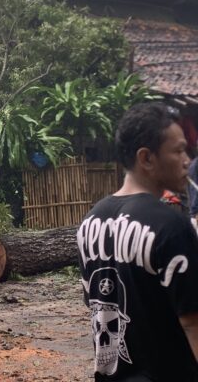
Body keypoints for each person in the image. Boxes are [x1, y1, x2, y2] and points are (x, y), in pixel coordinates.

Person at [76, 103, 198, 381]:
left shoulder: (89, 222)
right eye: (178, 150)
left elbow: (96, 302)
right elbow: (192, 323)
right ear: (147, 158)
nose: (187, 161)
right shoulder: (170, 225)